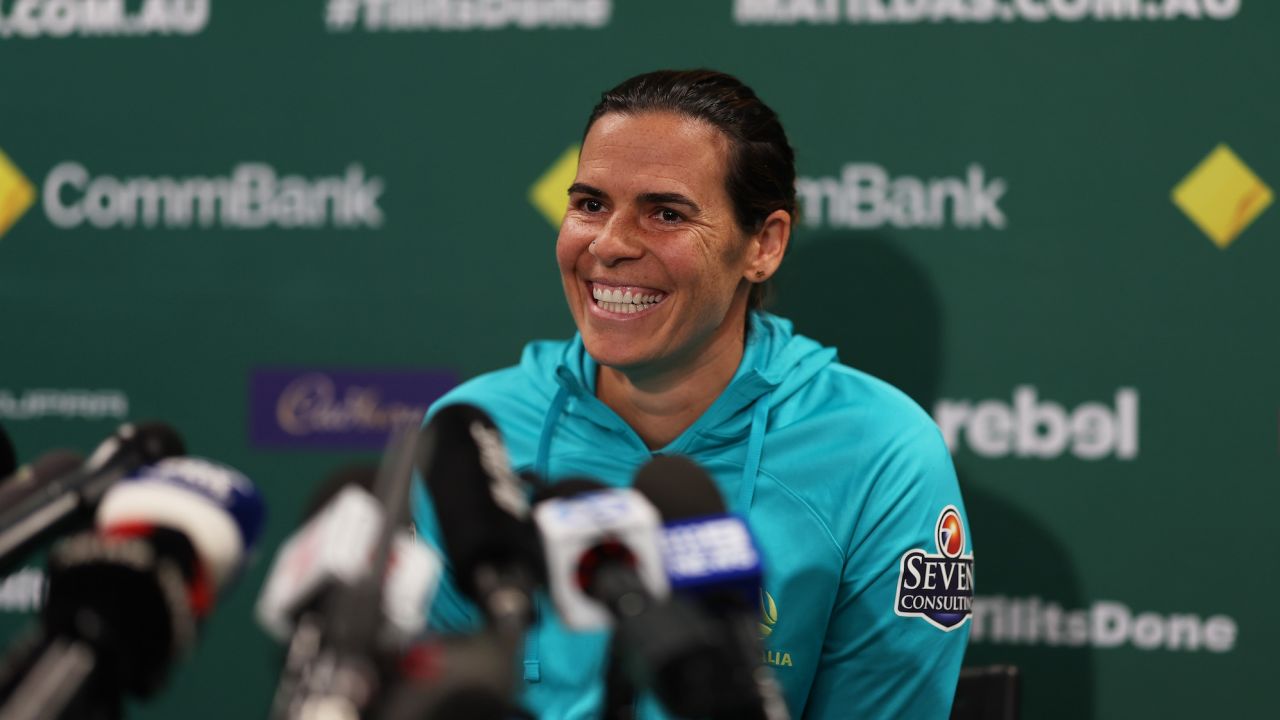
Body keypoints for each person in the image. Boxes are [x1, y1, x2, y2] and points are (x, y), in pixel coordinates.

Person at [411, 69, 972, 719]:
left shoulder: (881, 451)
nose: (610, 244)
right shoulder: (475, 432)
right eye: (590, 203)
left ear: (763, 245)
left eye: (666, 213)